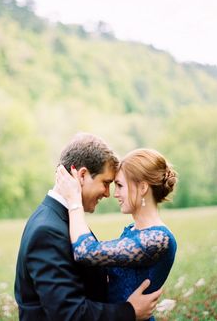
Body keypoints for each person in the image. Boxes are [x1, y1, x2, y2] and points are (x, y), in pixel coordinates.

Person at [14, 133, 162, 321]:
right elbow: (68, 313)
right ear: (82, 175)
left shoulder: (60, 219)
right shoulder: (48, 231)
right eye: (106, 183)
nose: (108, 193)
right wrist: (130, 311)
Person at [55, 147, 178, 321]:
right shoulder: (132, 230)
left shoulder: (158, 239)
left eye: (120, 185)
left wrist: (74, 200)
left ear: (142, 187)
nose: (115, 194)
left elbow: (85, 251)